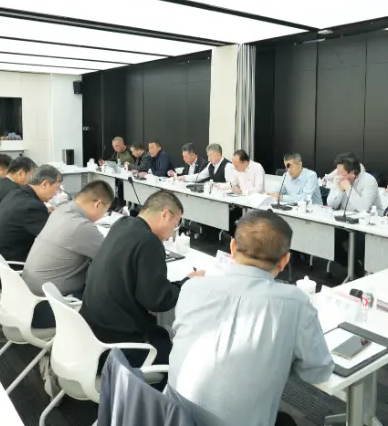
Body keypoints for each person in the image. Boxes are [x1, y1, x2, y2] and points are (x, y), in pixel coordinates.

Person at [166, 210, 333, 426]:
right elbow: (317, 372)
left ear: (232, 247)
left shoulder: (192, 287)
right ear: (285, 260)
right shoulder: (295, 302)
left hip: (171, 416)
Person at [80, 190, 204, 367]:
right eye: (175, 224)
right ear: (165, 214)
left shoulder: (122, 224)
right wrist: (187, 282)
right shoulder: (149, 242)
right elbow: (157, 301)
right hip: (115, 345)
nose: (172, 233)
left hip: (88, 331)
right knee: (182, 360)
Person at [24, 180, 115, 328]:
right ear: (98, 204)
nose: (103, 215)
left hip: (26, 299)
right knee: (113, 295)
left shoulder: (61, 210)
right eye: (106, 211)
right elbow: (113, 260)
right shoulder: (81, 227)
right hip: (47, 307)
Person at [0, 164, 63, 263]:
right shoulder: (33, 207)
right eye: (57, 188)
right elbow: (53, 239)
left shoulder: (17, 193)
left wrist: (45, 211)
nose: (57, 193)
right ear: (45, 184)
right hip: (14, 261)